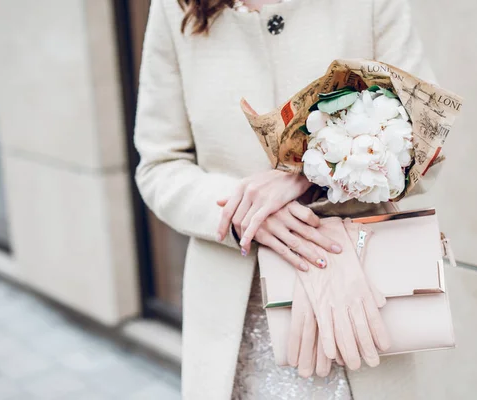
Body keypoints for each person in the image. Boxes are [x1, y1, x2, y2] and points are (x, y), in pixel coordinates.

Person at [134, 0, 434, 398]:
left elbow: (426, 138)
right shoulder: (175, 8)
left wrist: (307, 173)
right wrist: (246, 210)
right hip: (236, 311)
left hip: (354, 287)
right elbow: (159, 165)